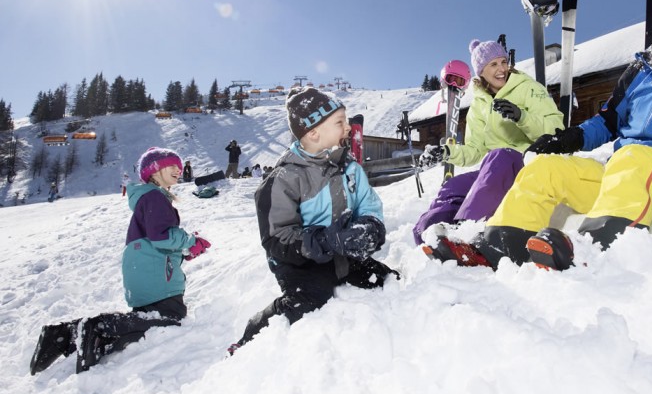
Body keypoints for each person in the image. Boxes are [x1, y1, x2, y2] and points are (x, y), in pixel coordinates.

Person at [429, 0, 652, 271]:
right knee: (547, 170)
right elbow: (609, 120)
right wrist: (573, 138)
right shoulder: (642, 73)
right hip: (621, 175)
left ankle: (589, 250)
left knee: (635, 157)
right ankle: (498, 246)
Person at [227, 87, 397, 355]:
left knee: (386, 280)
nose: (348, 128)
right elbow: (276, 237)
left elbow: (369, 204)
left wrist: (369, 228)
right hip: (300, 262)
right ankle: (251, 337)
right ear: (314, 132)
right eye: (339, 122)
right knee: (309, 299)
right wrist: (323, 240)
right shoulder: (284, 179)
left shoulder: (350, 168)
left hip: (342, 254)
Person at [29, 147, 211, 374]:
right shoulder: (155, 197)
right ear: (154, 171)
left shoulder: (147, 198)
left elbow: (153, 239)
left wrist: (184, 252)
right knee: (170, 319)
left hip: (144, 267)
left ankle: (64, 334)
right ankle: (100, 328)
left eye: (179, 165)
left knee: (148, 317)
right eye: (171, 165)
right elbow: (161, 235)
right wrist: (190, 240)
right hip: (154, 274)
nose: (179, 169)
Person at [412, 38, 564, 244]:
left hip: (530, 165)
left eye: (503, 62)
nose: (502, 69)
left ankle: (467, 233)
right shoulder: (479, 104)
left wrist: (522, 117)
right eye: (493, 64)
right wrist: (446, 152)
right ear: (481, 71)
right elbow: (475, 150)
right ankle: (429, 236)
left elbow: (557, 129)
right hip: (494, 170)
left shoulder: (528, 88)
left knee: (500, 156)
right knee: (455, 185)